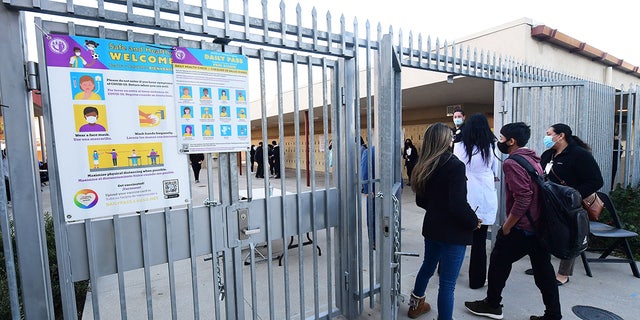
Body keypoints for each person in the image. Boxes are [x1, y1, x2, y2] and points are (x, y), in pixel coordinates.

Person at [464, 122, 561, 320]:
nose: (499, 141)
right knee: (544, 272)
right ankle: (553, 314)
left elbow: (523, 197)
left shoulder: (512, 163)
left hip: (522, 226)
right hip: (538, 225)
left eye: (501, 138)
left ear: (511, 141)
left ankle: (492, 304)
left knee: (499, 261)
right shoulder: (533, 158)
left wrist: (507, 226)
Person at [408, 123, 480, 320]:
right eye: (450, 136)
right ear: (442, 139)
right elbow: (458, 205)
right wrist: (473, 221)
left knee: (427, 266)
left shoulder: (423, 165)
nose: (452, 139)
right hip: (453, 233)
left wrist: (437, 209)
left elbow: (421, 200)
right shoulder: (455, 165)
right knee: (447, 284)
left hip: (432, 227)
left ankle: (415, 306)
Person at [524, 123, 604, 286]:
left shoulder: (579, 155)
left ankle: (563, 274)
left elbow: (596, 181)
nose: (546, 137)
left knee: (570, 236)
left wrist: (573, 195)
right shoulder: (548, 154)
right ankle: (542, 267)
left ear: (561, 136)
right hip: (548, 202)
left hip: (569, 205)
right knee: (543, 234)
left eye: (549, 133)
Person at [453, 113, 499, 289]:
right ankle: (477, 281)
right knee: (479, 243)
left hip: (464, 192)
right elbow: (495, 170)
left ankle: (447, 270)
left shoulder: (459, 144)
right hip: (485, 194)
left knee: (456, 237)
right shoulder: (490, 145)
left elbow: (457, 166)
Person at [360, 137, 376, 250]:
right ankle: (374, 239)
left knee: (374, 215)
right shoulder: (368, 152)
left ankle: (375, 240)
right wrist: (367, 189)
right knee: (373, 215)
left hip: (375, 190)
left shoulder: (368, 151)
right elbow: (364, 172)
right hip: (375, 190)